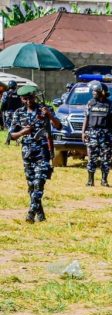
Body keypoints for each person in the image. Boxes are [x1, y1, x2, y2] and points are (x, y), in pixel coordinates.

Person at [9, 85, 61, 223]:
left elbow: (58, 126)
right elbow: (10, 136)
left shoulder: (44, 110)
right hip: (27, 154)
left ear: (34, 97)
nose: (28, 101)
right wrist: (22, 132)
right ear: (21, 99)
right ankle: (41, 215)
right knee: (32, 186)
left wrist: (50, 115)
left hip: (43, 152)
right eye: (25, 99)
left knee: (39, 183)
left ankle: (31, 213)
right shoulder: (18, 113)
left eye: (30, 98)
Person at [81, 81, 112, 187]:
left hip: (107, 135)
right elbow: (86, 118)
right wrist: (83, 132)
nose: (93, 93)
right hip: (93, 134)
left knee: (106, 159)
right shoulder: (90, 103)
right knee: (91, 159)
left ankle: (104, 180)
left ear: (102, 92)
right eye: (93, 91)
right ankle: (90, 180)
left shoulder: (111, 104)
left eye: (95, 91)